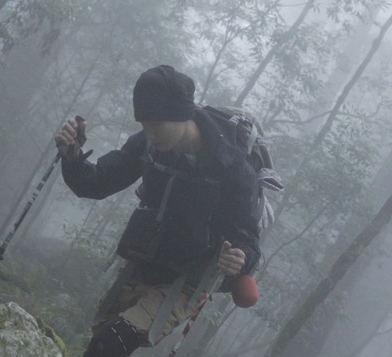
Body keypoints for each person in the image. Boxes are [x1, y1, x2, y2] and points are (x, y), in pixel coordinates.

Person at [55, 65, 261, 357]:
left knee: (109, 344)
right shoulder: (148, 144)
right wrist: (73, 156)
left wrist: (240, 258)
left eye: (157, 124)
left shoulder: (232, 167)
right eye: (144, 124)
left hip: (186, 281)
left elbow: (249, 241)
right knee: (102, 340)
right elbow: (99, 183)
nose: (150, 133)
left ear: (183, 114)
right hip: (143, 263)